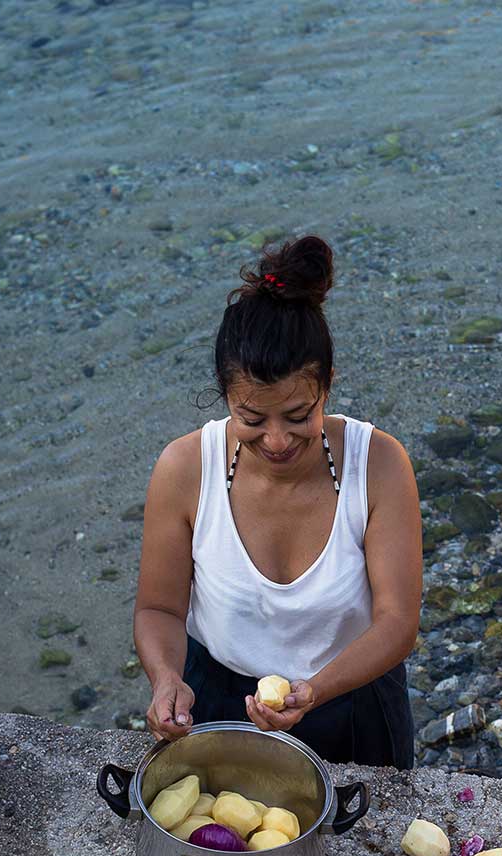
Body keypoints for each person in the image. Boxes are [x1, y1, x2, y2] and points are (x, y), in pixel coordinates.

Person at [133, 235, 422, 768]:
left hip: (354, 703)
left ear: (327, 387)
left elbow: (397, 621)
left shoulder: (377, 464)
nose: (277, 441)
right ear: (226, 398)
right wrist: (167, 678)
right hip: (216, 702)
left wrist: (315, 690)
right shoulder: (185, 469)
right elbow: (159, 608)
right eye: (251, 419)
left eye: (297, 416)